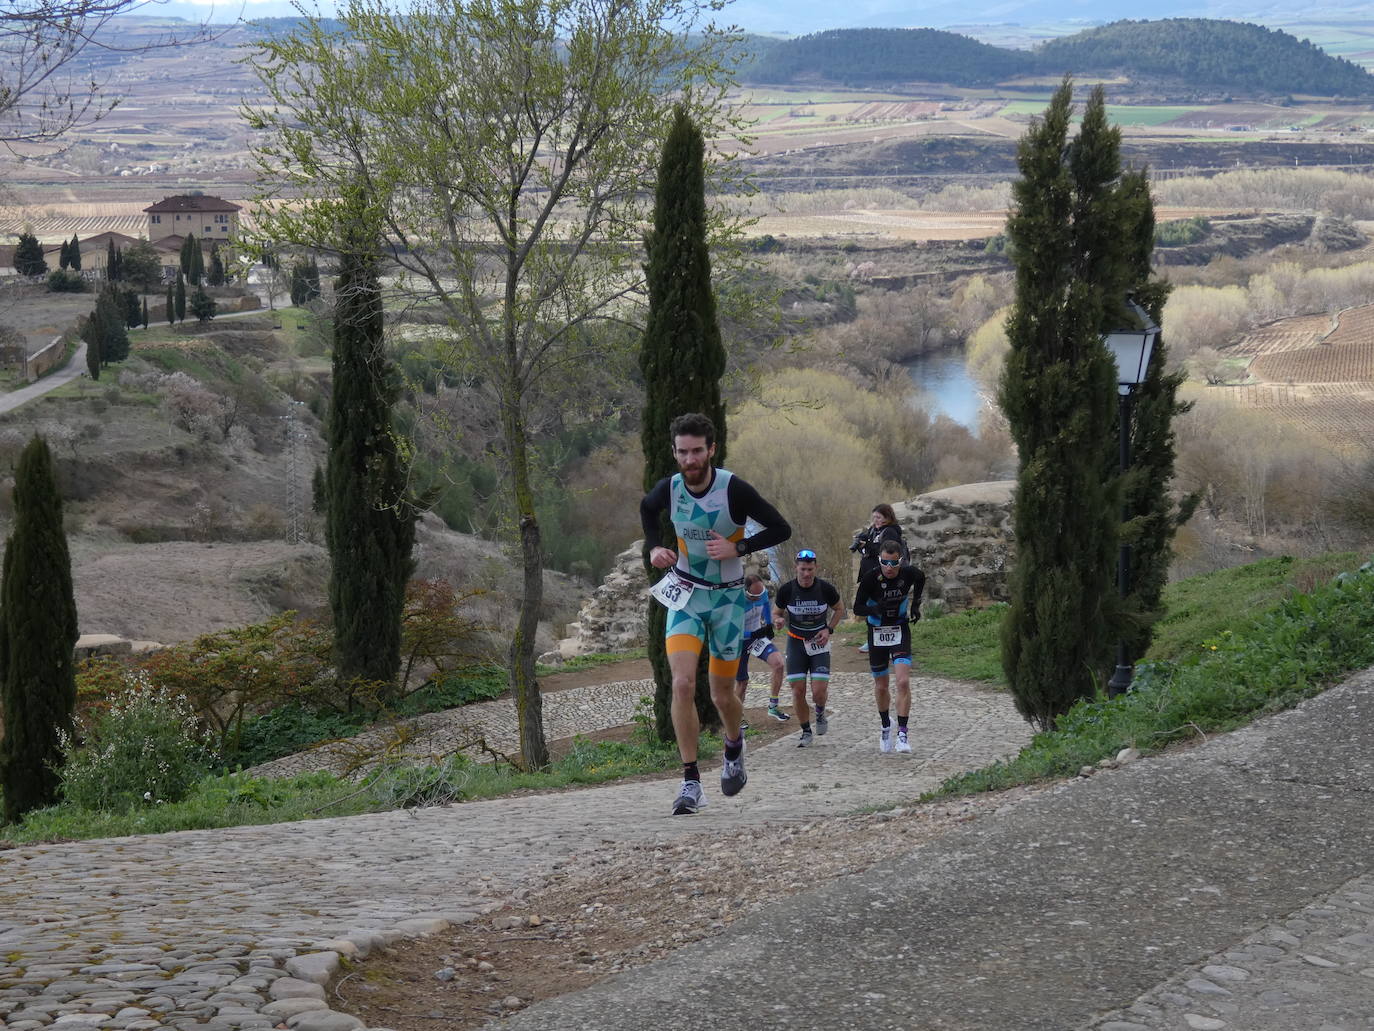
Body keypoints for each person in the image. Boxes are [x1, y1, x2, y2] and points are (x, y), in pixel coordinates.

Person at [640, 412, 791, 816]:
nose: (690, 460)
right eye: (683, 452)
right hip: (686, 596)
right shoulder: (669, 489)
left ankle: (733, 745)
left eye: (697, 451)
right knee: (682, 684)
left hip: (727, 601)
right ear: (674, 452)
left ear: (711, 450)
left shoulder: (733, 489)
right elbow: (646, 509)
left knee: (722, 694)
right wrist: (654, 547)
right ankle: (691, 782)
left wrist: (739, 549)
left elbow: (781, 528)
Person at [854, 538, 926, 755]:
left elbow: (921, 579)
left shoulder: (909, 573)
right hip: (877, 632)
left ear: (900, 561)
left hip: (899, 629)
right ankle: (886, 724)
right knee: (882, 685)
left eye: (894, 563)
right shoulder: (870, 578)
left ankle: (902, 734)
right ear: (880, 559)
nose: (889, 568)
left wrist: (915, 605)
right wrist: (875, 609)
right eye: (885, 563)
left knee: (903, 681)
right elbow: (857, 607)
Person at [773, 548, 845, 748]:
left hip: (818, 643)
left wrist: (829, 629)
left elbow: (840, 608)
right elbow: (776, 612)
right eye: (803, 569)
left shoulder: (825, 589)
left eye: (810, 570)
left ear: (816, 568)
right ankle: (805, 730)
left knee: (818, 691)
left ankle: (820, 712)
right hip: (796, 642)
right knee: (797, 691)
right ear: (796, 568)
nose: (806, 574)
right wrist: (778, 620)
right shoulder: (787, 590)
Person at [850, 504, 905, 653]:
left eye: (879, 517)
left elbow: (886, 550)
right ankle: (873, 640)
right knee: (871, 610)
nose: (876, 520)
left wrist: (867, 545)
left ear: (888, 517)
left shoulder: (891, 532)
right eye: (874, 517)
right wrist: (863, 543)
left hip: (883, 576)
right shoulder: (874, 530)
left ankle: (890, 642)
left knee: (886, 609)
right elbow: (870, 549)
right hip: (870, 576)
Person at [734, 573, 789, 725]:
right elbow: (731, 630)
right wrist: (751, 633)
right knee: (742, 682)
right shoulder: (736, 600)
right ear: (745, 592)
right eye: (753, 597)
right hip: (739, 642)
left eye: (760, 594)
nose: (758, 598)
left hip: (756, 637)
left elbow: (766, 609)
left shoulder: (762, 593)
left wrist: (772, 623)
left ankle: (773, 706)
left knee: (779, 664)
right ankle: (737, 717)